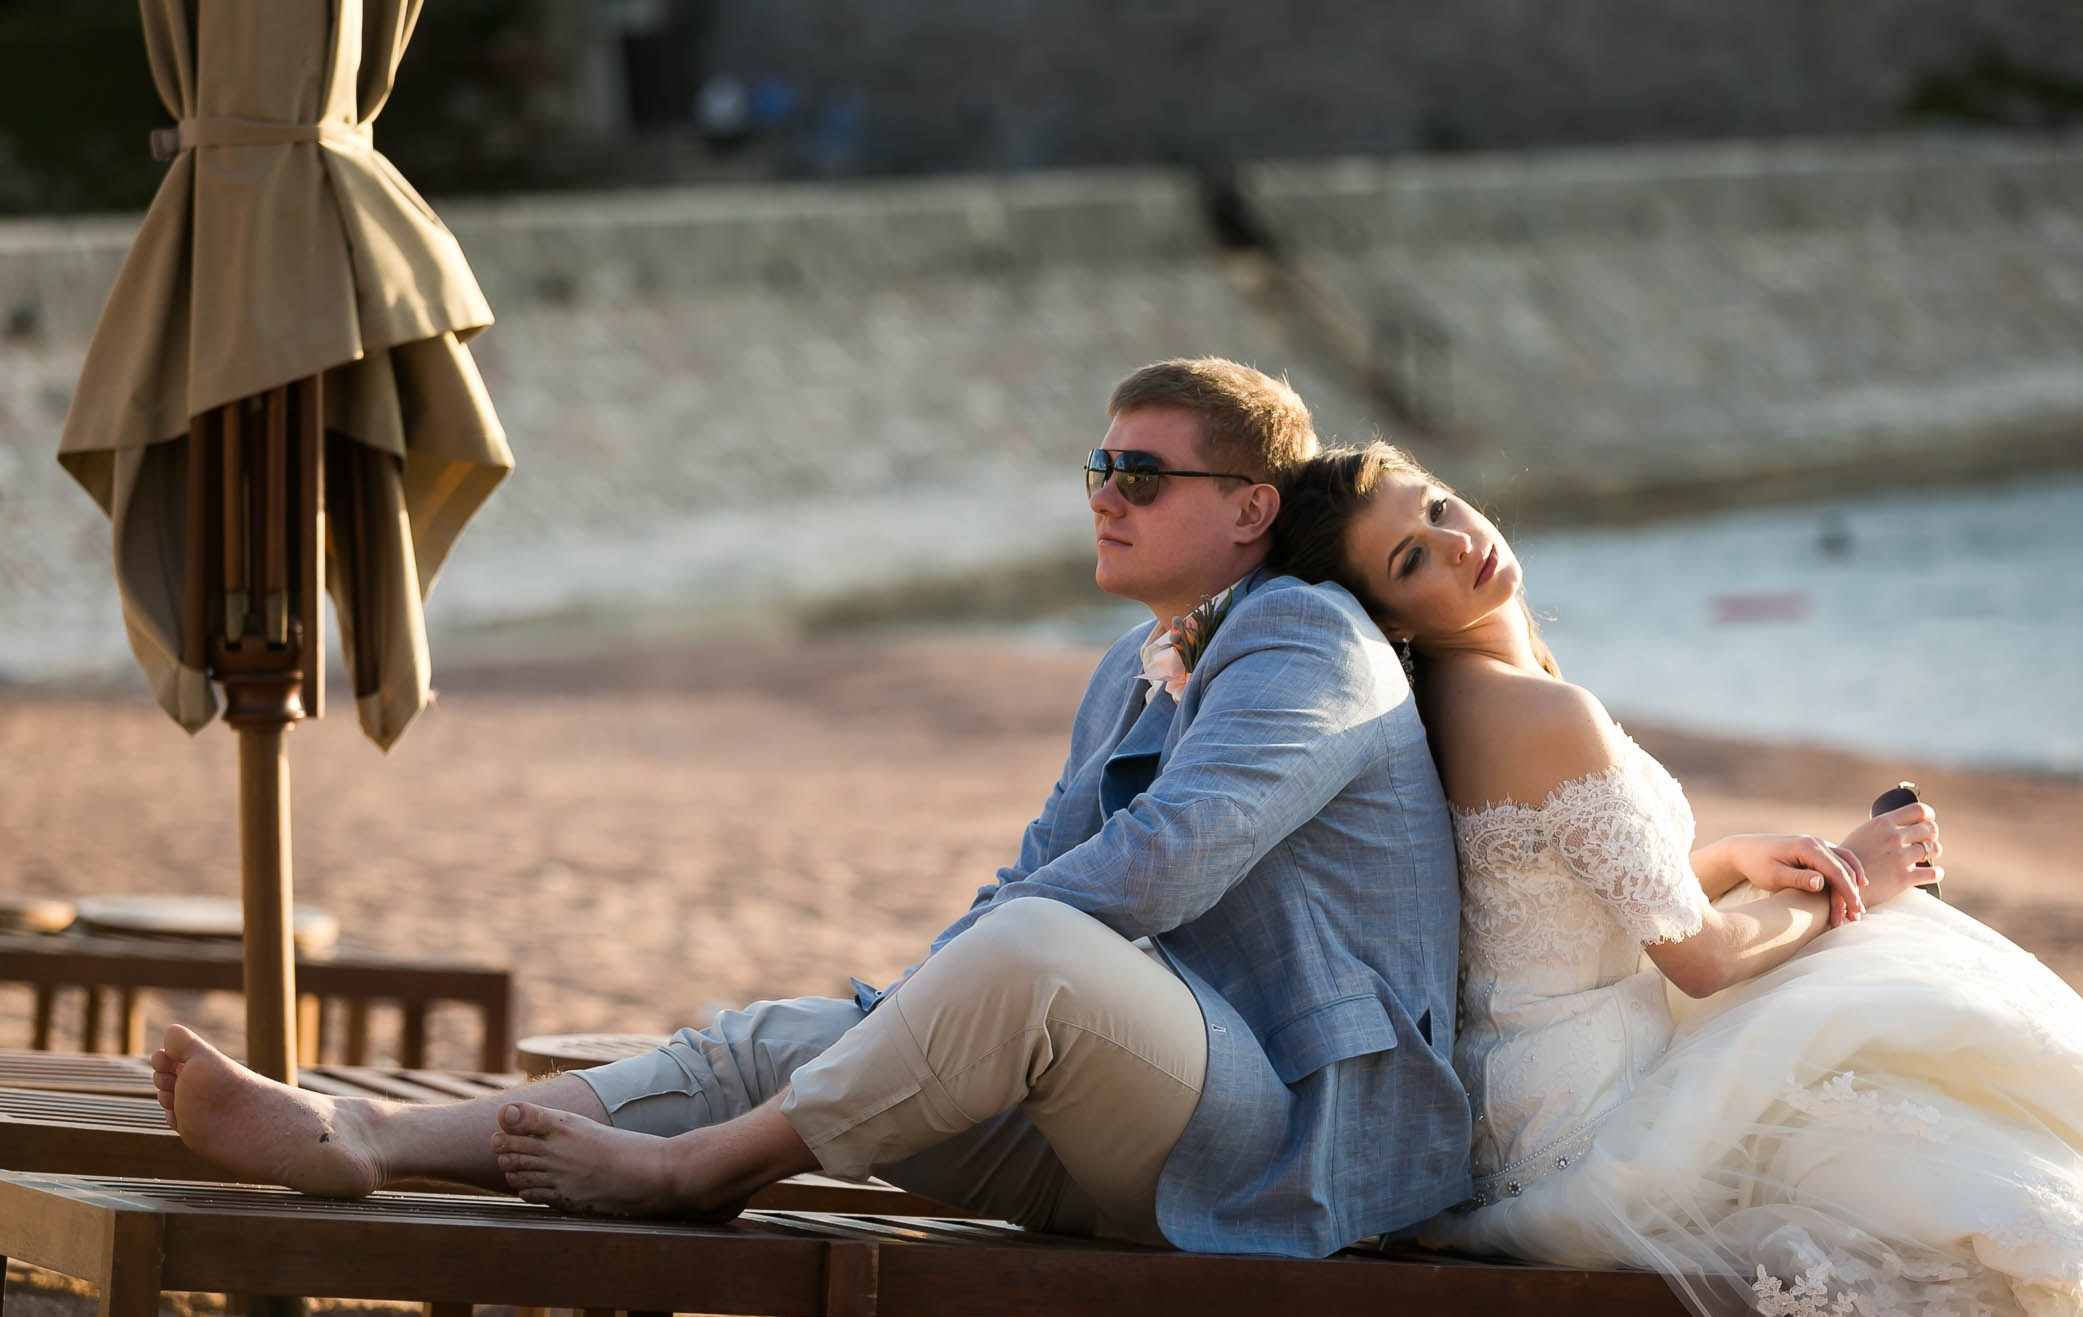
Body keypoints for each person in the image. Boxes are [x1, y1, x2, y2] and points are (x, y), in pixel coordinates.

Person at [153, 358, 1481, 1258]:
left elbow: (1166, 863)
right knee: (791, 1036)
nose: (1103, 496)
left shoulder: (1305, 638)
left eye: (1141, 475)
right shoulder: (1136, 666)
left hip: (1306, 1142)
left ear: (1252, 507)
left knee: (1018, 960)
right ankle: (367, 1134)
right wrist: (914, 1010)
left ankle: (693, 1172)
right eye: (1096, 468)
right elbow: (1047, 860)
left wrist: (958, 985)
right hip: (1150, 1104)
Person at [1265, 440, 2083, 1317]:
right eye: (1414, 559)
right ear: (1394, 618)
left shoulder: (1469, 705)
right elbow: (1701, 958)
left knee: (1902, 1017)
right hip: (1583, 1113)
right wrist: (1858, 874)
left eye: (1441, 507)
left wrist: (1736, 857)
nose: (1462, 543)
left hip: (1525, 1085)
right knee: (1912, 987)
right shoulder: (1535, 715)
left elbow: (1555, 891)